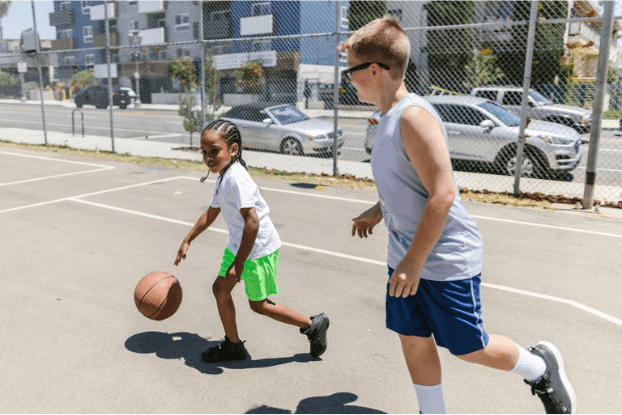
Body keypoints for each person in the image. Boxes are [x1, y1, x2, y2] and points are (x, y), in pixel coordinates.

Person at [342, 17, 575, 414]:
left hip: (442, 259)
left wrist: (414, 262)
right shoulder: (386, 119)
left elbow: (443, 192)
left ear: (374, 71)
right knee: (412, 336)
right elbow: (410, 185)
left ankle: (540, 367)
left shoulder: (413, 117)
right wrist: (378, 210)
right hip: (405, 256)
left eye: (351, 71)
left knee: (468, 347)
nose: (349, 80)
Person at [174, 119, 329, 363]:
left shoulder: (236, 178)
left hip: (256, 250)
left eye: (214, 151)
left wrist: (239, 263)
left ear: (233, 149)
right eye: (204, 152)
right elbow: (211, 213)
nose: (208, 157)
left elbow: (253, 222)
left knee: (258, 305)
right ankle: (233, 346)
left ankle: (312, 325)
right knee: (220, 289)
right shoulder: (224, 175)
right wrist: (187, 239)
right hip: (241, 246)